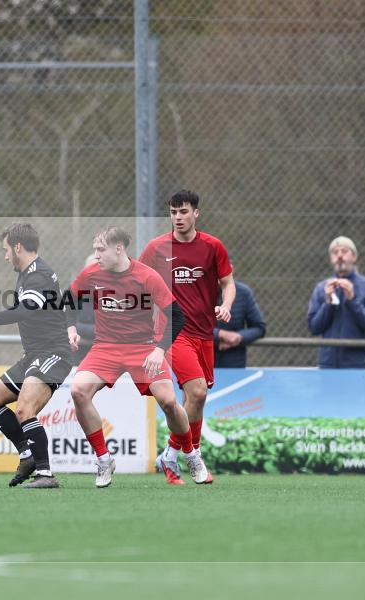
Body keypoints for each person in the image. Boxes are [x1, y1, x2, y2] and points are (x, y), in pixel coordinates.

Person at [67, 226, 209, 488]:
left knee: (168, 401)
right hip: (105, 347)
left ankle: (190, 455)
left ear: (118, 248)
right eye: (95, 250)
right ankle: (103, 459)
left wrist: (159, 349)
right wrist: (71, 327)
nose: (96, 255)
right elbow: (68, 299)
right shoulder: (91, 274)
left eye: (101, 249)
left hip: (143, 348)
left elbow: (176, 316)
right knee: (78, 391)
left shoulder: (147, 276)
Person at [0, 223, 73, 489]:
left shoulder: (39, 275)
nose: (5, 256)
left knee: (24, 409)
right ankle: (27, 454)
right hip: (33, 356)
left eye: (6, 250)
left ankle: (45, 475)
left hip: (53, 355)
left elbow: (25, 311)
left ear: (17, 247)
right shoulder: (28, 274)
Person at [140, 189, 234, 485]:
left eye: (183, 212)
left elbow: (228, 283)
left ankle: (170, 453)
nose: (177, 218)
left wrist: (226, 305)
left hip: (204, 334)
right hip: (172, 332)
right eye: (172, 212)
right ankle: (192, 457)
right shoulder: (157, 248)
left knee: (195, 400)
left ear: (196, 213)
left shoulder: (212, 246)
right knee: (197, 392)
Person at [307, 236, 365, 368]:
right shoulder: (321, 288)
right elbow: (314, 327)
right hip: (328, 365)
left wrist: (352, 300)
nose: (339, 255)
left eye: (344, 251)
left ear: (354, 257)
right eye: (335, 252)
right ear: (331, 259)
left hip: (357, 366)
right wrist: (328, 303)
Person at [214, 277, 266, 368]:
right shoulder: (194, 291)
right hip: (200, 363)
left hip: (234, 365)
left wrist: (238, 337)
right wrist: (219, 334)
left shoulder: (243, 293)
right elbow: (187, 326)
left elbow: (259, 327)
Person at [70, 254, 98, 366]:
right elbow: (68, 322)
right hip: (79, 346)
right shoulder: (74, 292)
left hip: (105, 347)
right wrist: (96, 330)